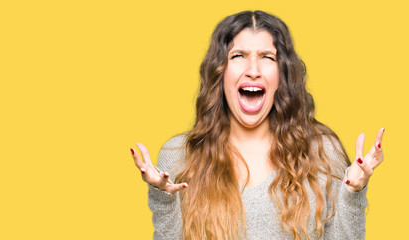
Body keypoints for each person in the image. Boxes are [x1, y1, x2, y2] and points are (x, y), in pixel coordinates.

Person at [130, 10, 385, 240]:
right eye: (238, 55)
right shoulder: (179, 156)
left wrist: (353, 195)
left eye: (267, 57)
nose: (253, 70)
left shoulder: (323, 153)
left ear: (282, 74)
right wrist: (163, 199)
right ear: (220, 71)